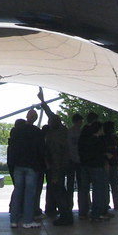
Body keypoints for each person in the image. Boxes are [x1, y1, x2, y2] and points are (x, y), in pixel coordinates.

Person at [38, 92, 73, 226]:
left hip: (57, 167)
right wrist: (42, 101)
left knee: (59, 191)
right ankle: (65, 214)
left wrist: (55, 174)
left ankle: (65, 216)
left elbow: (57, 155)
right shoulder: (62, 130)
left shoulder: (55, 137)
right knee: (60, 191)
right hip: (60, 166)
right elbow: (50, 114)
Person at [7, 114, 45, 229]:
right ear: (35, 119)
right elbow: (41, 149)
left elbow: (12, 147)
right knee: (29, 193)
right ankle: (27, 220)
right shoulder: (36, 131)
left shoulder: (16, 131)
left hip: (18, 165)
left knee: (17, 191)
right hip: (32, 165)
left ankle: (13, 220)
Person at [78, 118, 110, 221]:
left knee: (84, 189)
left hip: (84, 166)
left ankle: (83, 211)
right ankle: (97, 212)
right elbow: (100, 153)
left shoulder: (84, 140)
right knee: (98, 189)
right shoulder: (98, 141)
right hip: (96, 166)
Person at [103, 120, 118, 211]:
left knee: (114, 185)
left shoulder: (114, 138)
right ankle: (108, 203)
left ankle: (117, 204)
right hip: (106, 164)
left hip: (113, 163)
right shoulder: (103, 138)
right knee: (108, 185)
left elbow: (117, 151)